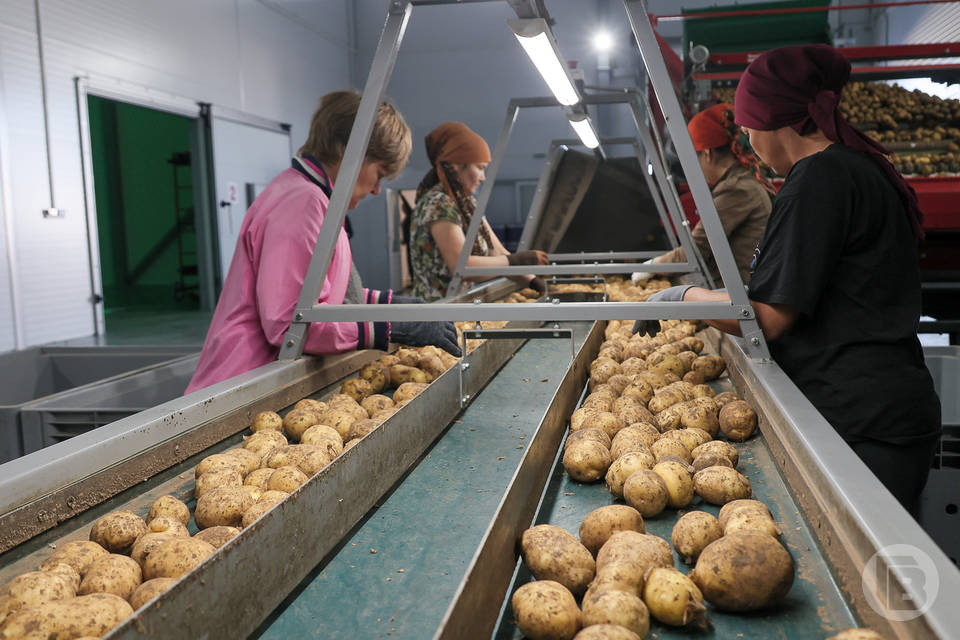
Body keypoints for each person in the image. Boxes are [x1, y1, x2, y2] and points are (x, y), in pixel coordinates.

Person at [637, 45, 941, 515]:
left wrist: (680, 297)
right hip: (881, 410)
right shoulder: (852, 167)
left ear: (772, 121)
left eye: (749, 129)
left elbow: (768, 318)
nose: (750, 143)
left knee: (873, 578)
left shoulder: (820, 180)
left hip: (863, 422)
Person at [186, 91, 460, 394]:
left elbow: (328, 297)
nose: (377, 190)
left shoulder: (317, 200)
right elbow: (290, 322)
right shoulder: (301, 203)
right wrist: (392, 327)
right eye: (379, 173)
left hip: (263, 380)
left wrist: (394, 305)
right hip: (239, 386)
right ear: (347, 151)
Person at [632, 102, 773, 287]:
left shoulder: (737, 189)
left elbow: (696, 251)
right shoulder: (740, 182)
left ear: (707, 154)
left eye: (694, 158)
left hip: (745, 298)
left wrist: (651, 266)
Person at [409, 122, 549, 301]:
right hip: (436, 313)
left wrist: (534, 282)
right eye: (480, 168)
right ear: (457, 166)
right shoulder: (438, 204)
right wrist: (516, 261)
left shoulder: (468, 203)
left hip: (458, 308)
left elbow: (496, 252)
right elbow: (462, 266)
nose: (483, 178)